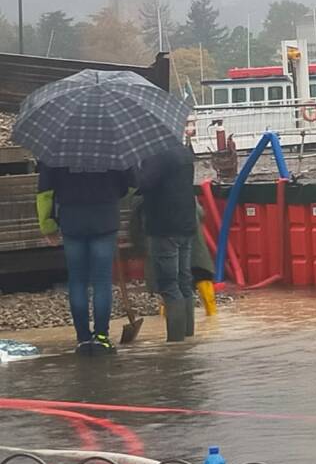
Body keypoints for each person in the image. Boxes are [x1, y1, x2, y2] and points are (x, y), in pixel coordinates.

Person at [36, 163, 134, 354]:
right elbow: (131, 185)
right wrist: (112, 195)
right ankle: (101, 337)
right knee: (102, 280)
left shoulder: (57, 149)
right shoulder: (112, 144)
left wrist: (47, 225)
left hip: (72, 219)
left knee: (77, 280)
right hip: (105, 217)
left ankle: (82, 339)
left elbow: (45, 191)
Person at [135, 142, 197, 342]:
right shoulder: (183, 150)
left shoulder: (158, 154)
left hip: (164, 227)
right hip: (186, 223)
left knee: (169, 284)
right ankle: (188, 337)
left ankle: (176, 343)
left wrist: (132, 166)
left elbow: (142, 183)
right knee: (184, 281)